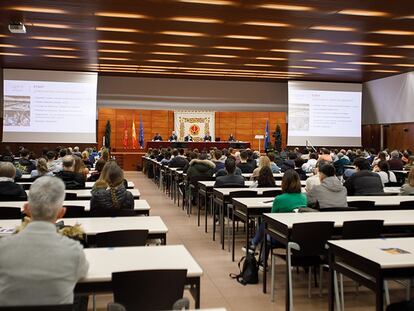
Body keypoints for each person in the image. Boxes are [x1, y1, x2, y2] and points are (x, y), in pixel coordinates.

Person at [0, 176, 89, 306]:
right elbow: (82, 274)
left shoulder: (3, 248)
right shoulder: (74, 251)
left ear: (26, 209)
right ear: (61, 213)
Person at [245, 170, 307, 261]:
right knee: (265, 223)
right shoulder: (304, 198)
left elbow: (271, 219)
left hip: (281, 236)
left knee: (265, 222)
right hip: (299, 236)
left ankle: (260, 257)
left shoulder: (279, 199)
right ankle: (254, 244)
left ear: (284, 183)